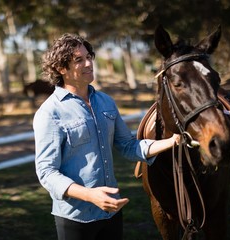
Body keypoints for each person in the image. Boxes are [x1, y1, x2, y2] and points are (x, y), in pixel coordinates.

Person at [33, 33, 180, 240]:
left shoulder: (106, 102)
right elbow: (46, 172)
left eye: (89, 57)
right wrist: (90, 195)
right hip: (75, 218)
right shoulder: (50, 112)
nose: (89, 63)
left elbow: (127, 146)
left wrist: (172, 141)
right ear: (61, 68)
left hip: (111, 212)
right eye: (79, 60)